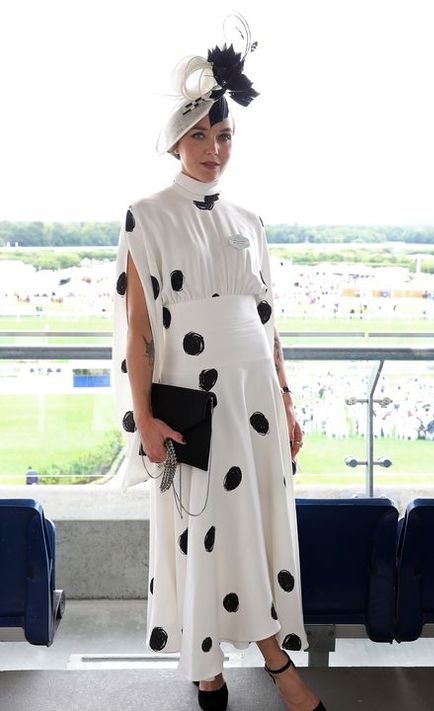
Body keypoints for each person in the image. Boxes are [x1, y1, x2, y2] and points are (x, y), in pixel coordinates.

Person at [113, 15, 326, 711]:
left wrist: (289, 405)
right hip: (194, 401)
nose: (213, 148)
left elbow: (269, 325)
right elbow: (138, 328)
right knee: (207, 526)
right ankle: (267, 665)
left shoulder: (250, 221)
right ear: (176, 140)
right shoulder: (146, 216)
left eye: (224, 134)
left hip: (256, 400)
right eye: (200, 135)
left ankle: (235, 665)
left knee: (253, 526)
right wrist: (143, 417)